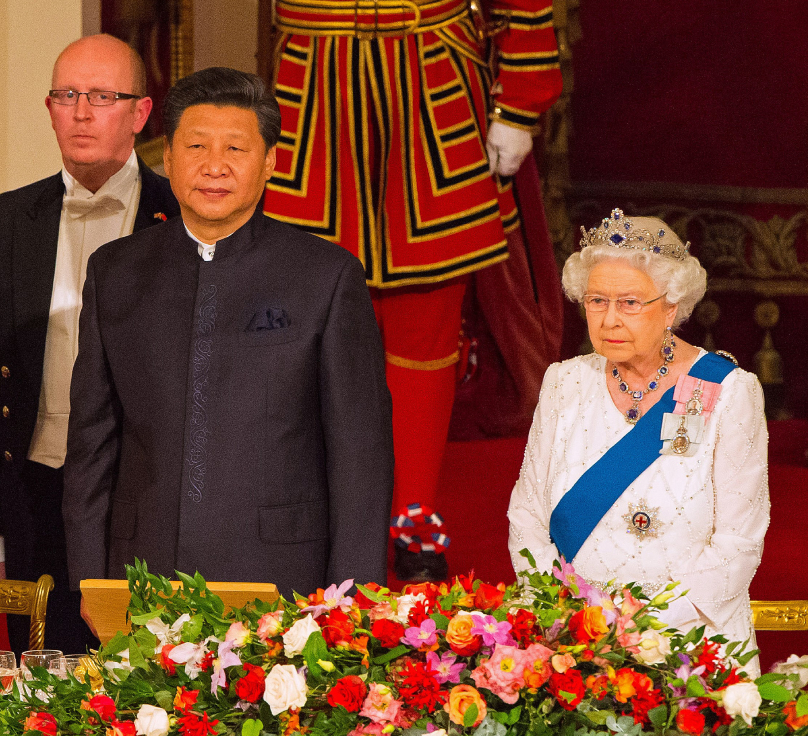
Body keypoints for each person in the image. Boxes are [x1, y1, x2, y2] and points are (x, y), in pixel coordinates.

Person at [63, 67, 394, 606]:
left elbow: (360, 459)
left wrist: (351, 604)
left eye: (236, 149)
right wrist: (87, 586)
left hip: (282, 579)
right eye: (195, 145)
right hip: (142, 575)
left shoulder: (326, 277)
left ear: (269, 163)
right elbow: (90, 451)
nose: (214, 166)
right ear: (167, 157)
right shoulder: (116, 273)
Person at [261, 0, 564, 582]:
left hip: (432, 78)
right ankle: (318, 514)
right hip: (311, 81)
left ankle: (414, 522)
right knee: (310, 312)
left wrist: (522, 99)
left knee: (425, 322)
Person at [0, 34, 179, 655]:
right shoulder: (3, 222)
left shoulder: (182, 217)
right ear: (48, 108)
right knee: (39, 689)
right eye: (67, 95)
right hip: (31, 496)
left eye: (102, 96)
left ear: (139, 113)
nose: (81, 113)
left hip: (143, 501)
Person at [507, 209, 769, 657]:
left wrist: (637, 630)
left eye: (630, 302)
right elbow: (527, 517)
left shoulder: (726, 390)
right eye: (596, 301)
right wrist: (566, 615)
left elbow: (738, 544)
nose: (609, 320)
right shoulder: (564, 382)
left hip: (692, 643)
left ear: (670, 307)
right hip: (575, 640)